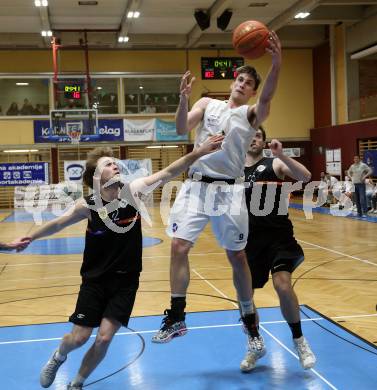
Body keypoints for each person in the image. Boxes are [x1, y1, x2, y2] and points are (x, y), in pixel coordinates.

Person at [12, 138, 224, 390]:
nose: (114, 165)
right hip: (94, 281)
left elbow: (169, 172)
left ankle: (76, 383)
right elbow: (58, 223)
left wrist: (198, 152)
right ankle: (59, 355)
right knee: (78, 338)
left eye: (115, 162)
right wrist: (30, 237)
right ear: (96, 176)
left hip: (125, 281)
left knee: (104, 338)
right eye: (108, 163)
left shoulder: (133, 192)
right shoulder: (87, 206)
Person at [152, 31, 282, 364]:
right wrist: (182, 100)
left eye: (247, 82)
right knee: (179, 245)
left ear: (252, 91)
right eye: (238, 78)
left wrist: (277, 62)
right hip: (196, 185)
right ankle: (177, 316)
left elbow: (267, 99)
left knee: (237, 257)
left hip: (229, 190)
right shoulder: (207, 105)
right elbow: (181, 127)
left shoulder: (250, 115)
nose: (241, 83)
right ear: (232, 82)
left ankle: (251, 326)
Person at [241, 127, 316, 371]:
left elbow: (305, 176)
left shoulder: (274, 164)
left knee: (282, 285)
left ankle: (299, 340)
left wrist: (282, 155)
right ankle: (255, 343)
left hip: (278, 238)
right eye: (250, 136)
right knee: (244, 297)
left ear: (263, 141)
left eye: (258, 136)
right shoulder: (233, 169)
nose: (254, 139)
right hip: (249, 242)